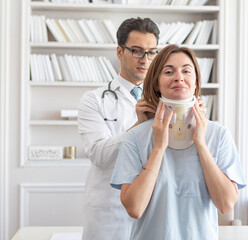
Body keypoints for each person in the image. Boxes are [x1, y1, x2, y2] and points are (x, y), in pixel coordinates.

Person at [111, 45, 246, 240]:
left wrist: (200, 143)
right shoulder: (136, 136)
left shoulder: (219, 135)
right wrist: (158, 147)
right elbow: (135, 208)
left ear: (196, 81)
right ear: (156, 83)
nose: (179, 77)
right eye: (168, 71)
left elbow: (226, 204)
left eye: (186, 71)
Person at [77, 17, 159, 240]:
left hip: (154, 209)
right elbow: (99, 155)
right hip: (110, 214)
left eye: (152, 52)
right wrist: (138, 127)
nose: (145, 60)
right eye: (136, 51)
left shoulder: (164, 101)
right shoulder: (93, 100)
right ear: (120, 52)